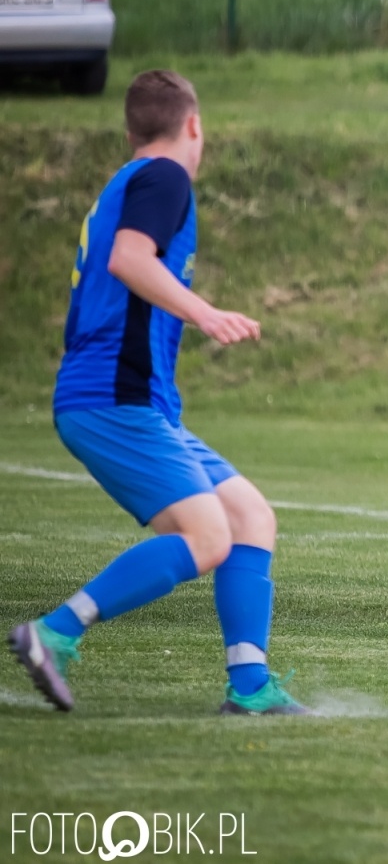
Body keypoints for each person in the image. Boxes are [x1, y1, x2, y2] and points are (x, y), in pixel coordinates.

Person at [8, 69, 306, 715]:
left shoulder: (129, 180)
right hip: (112, 397)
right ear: (193, 124)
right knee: (207, 537)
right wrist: (206, 313)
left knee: (250, 516)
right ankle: (56, 631)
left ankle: (250, 687)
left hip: (137, 401)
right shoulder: (165, 176)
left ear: (129, 129)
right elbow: (129, 259)